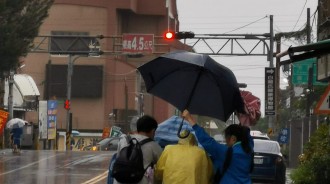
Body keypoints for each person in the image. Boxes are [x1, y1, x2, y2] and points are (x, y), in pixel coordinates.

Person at [182, 110, 254, 184]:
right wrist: (243, 120)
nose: (226, 143)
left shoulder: (227, 152)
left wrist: (190, 119)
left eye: (226, 139)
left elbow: (208, 141)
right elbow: (248, 137)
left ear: (233, 139)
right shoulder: (249, 150)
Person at [113, 115, 163, 184]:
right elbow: (162, 166)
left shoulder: (124, 140)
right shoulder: (154, 145)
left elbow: (118, 157)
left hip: (119, 180)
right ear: (153, 130)